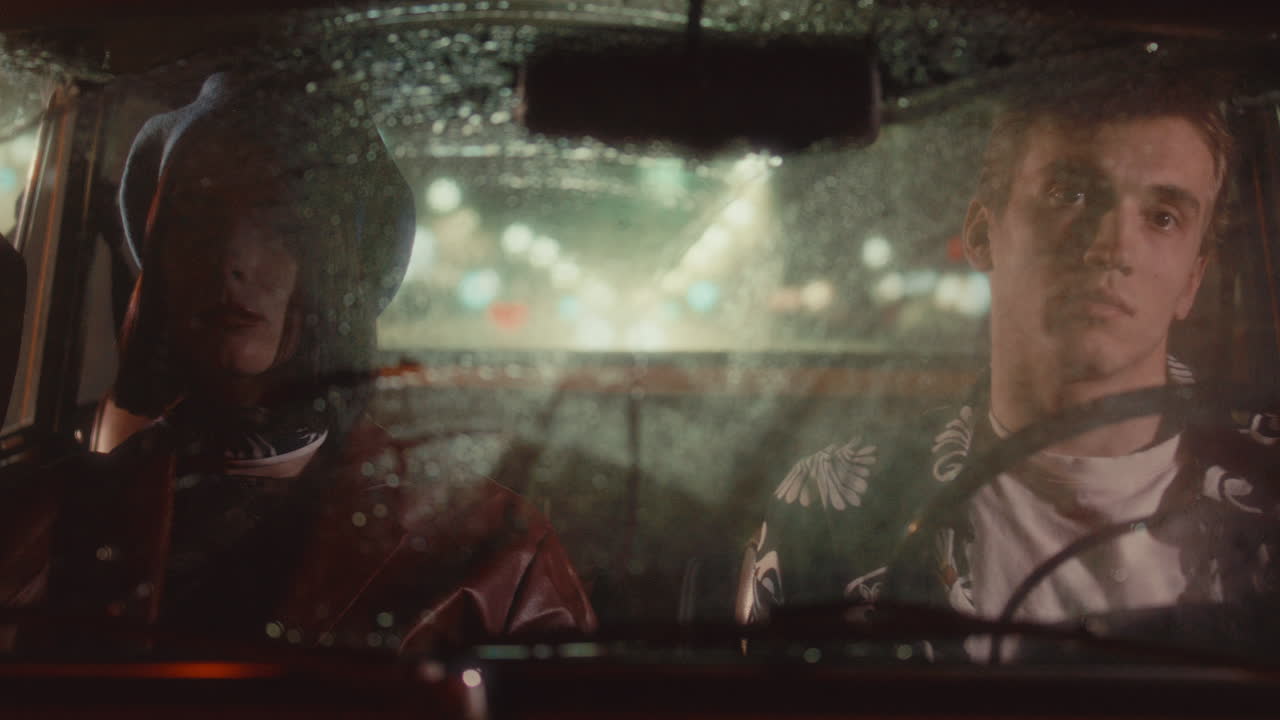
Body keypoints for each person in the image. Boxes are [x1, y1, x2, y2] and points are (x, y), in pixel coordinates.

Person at [6, 72, 596, 654]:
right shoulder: (45, 520)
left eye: (280, 223)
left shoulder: (489, 547)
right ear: (162, 266)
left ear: (336, 265)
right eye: (200, 219)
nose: (233, 258)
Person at [738, 70, 1280, 660]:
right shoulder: (834, 507)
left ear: (1193, 279)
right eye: (1069, 193)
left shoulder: (1268, 483)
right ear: (981, 233)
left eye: (1163, 216)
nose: (1113, 246)